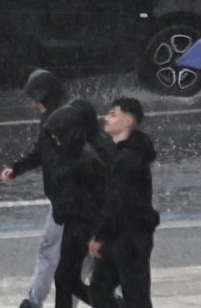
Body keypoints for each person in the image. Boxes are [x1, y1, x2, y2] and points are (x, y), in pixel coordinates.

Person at [0, 69, 69, 308]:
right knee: (82, 257)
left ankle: (34, 302)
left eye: (36, 97)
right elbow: (42, 153)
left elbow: (58, 158)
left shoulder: (58, 123)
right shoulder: (55, 119)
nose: (33, 103)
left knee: (50, 253)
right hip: (71, 200)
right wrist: (17, 168)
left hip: (67, 202)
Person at [88, 97, 159, 308]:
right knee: (100, 290)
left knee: (135, 296)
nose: (106, 118)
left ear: (128, 121)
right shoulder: (123, 153)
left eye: (113, 114)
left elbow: (118, 202)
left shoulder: (129, 158)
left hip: (130, 238)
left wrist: (100, 236)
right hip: (121, 235)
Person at [43, 104, 107, 308]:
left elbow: (95, 200)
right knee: (64, 278)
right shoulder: (73, 154)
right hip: (76, 228)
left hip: (84, 229)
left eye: (57, 134)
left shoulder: (84, 160)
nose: (54, 139)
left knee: (66, 278)